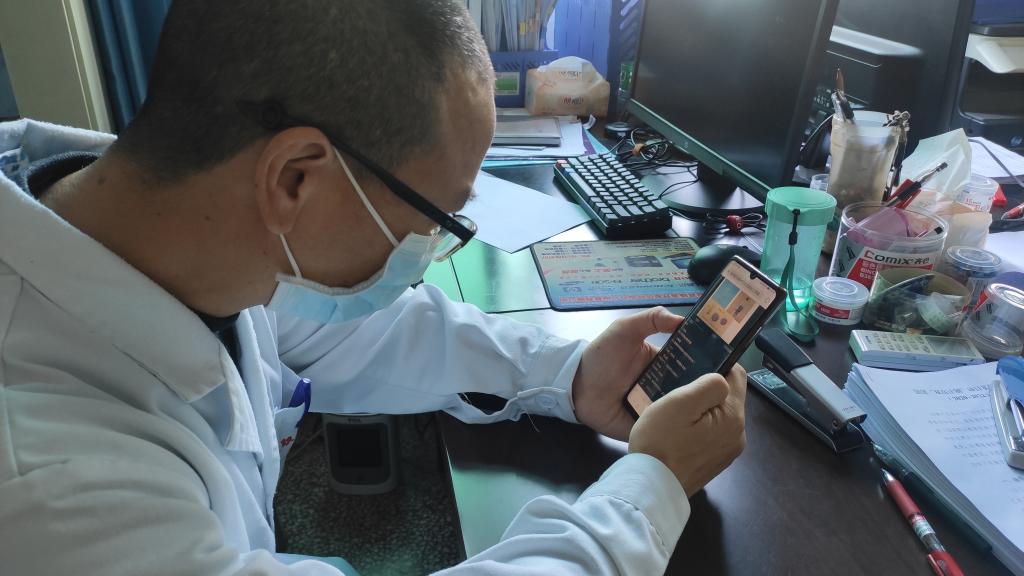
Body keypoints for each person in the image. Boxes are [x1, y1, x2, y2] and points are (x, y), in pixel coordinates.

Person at [0, 1, 747, 574]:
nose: (428, 251)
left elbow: (358, 329)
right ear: (295, 179)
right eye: (436, 218)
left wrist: (568, 373)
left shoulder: (179, 238)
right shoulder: (55, 485)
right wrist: (650, 490)